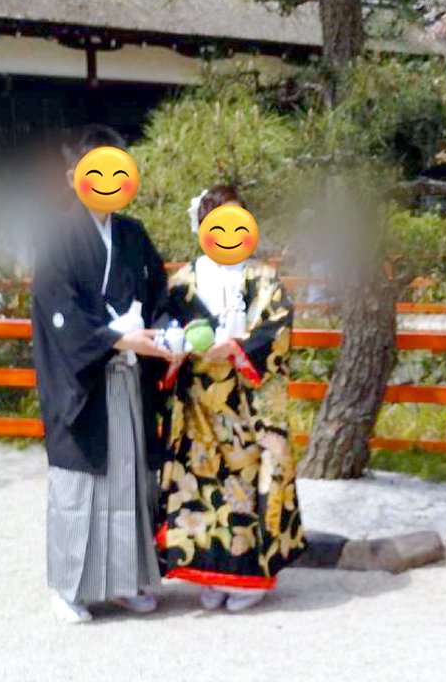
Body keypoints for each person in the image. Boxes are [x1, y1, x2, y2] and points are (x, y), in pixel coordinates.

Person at [29, 142, 173, 624]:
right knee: (81, 482)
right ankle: (69, 588)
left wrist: (161, 332)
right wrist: (116, 338)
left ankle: (125, 582)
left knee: (129, 477)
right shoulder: (57, 237)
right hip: (84, 381)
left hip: (129, 378)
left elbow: (159, 294)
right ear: (75, 177)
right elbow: (59, 311)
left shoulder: (132, 234)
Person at [157, 185, 307, 612]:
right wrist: (177, 346)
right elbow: (167, 326)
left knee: (243, 484)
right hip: (198, 402)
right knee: (200, 486)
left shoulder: (262, 279)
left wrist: (238, 349)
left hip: (245, 401)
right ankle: (209, 570)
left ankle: (249, 576)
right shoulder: (184, 282)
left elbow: (275, 330)